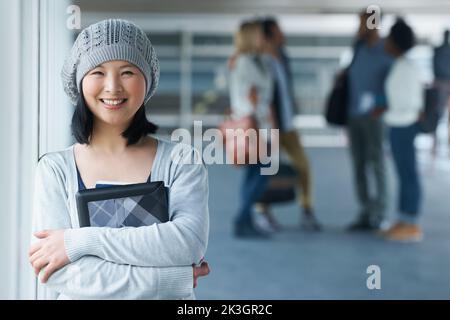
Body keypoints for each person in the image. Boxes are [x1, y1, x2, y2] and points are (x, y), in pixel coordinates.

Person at [28, 19, 210, 299]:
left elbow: (187, 244)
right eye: (98, 72)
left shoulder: (182, 160)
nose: (113, 87)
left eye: (127, 72)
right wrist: (174, 277)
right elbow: (58, 273)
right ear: (80, 82)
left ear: (146, 81)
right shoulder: (55, 170)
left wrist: (79, 241)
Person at [260, 17, 321, 231]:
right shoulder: (262, 60)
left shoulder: (282, 56)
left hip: (287, 124)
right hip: (269, 127)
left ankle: (307, 209)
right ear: (269, 34)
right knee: (267, 170)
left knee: (303, 165)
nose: (282, 34)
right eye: (278, 30)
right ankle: (263, 212)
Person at [346, 11, 393, 231]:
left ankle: (380, 213)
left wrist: (381, 103)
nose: (359, 27)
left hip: (375, 117)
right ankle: (365, 211)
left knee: (377, 164)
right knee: (359, 165)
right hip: (354, 116)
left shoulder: (387, 50)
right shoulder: (359, 49)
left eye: (362, 23)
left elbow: (394, 83)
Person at [228, 21, 274, 238]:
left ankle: (245, 219)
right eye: (258, 35)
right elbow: (251, 96)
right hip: (253, 124)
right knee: (261, 172)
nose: (262, 39)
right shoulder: (245, 62)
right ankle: (243, 218)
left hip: (256, 122)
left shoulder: (254, 60)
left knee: (255, 173)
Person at [382, 18, 424, 242]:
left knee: (408, 174)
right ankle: (402, 219)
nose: (385, 43)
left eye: (388, 39)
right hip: (398, 125)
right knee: (403, 174)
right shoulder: (399, 65)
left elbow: (409, 101)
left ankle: (412, 222)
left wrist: (386, 110)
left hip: (404, 125)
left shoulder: (406, 67)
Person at [432, 30, 450, 153]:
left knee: (438, 114)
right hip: (442, 83)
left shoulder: (437, 50)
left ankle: (435, 144)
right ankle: (436, 143)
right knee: (438, 114)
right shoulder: (437, 50)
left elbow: (434, 66)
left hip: (440, 83)